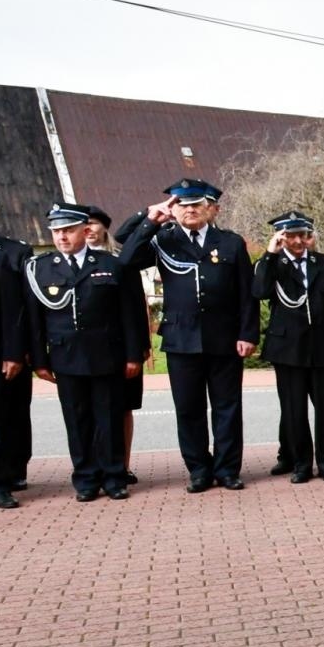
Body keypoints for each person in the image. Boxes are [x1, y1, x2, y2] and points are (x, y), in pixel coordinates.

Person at [118, 178, 258, 492]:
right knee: (188, 409)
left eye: (196, 204)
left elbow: (246, 293)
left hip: (224, 338)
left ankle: (227, 470)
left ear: (212, 208)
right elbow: (126, 257)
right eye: (182, 205)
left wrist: (248, 333)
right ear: (173, 209)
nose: (189, 210)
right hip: (181, 338)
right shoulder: (163, 239)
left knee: (227, 407)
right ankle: (199, 470)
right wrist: (150, 217)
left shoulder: (230, 242)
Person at [23, 202, 149, 501]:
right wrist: (39, 360)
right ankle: (86, 479)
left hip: (107, 355)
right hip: (66, 357)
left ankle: (114, 477)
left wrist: (133, 355)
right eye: (56, 231)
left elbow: (129, 314)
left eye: (68, 230)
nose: (62, 237)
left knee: (109, 417)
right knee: (77, 420)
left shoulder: (110, 264)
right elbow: (35, 320)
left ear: (84, 230)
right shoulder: (40, 268)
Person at [253, 212, 324, 483]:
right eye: (291, 236)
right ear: (281, 237)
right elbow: (260, 291)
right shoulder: (272, 264)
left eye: (303, 235)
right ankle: (301, 463)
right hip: (288, 349)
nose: (298, 241)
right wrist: (271, 253)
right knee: (294, 409)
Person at [85, 205, 154, 482]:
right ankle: (96, 466)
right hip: (90, 349)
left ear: (105, 227)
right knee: (89, 411)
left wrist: (141, 346)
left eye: (93, 223)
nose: (88, 229)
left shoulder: (123, 259)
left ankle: (122, 466)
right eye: (82, 224)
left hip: (123, 345)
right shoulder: (68, 261)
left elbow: (136, 305)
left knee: (124, 407)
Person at [0, 195, 34, 509]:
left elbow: (19, 309)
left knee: (4, 419)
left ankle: (1, 481)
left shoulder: (12, 252)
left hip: (1, 352)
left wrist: (14, 352)